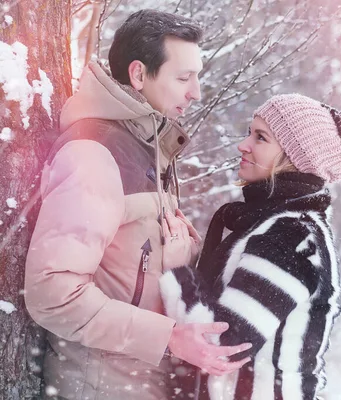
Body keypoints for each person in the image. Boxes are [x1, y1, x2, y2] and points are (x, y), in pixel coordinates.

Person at [24, 9, 250, 400]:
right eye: (183, 77)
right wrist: (169, 337)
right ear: (139, 75)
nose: (195, 92)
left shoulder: (149, 150)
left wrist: (183, 262)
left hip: (141, 385)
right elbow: (52, 293)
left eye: (196, 76)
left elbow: (131, 270)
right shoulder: (94, 153)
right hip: (100, 387)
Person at [159, 93, 341, 399]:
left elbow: (221, 347)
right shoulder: (275, 225)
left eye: (261, 137)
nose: (243, 145)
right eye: (249, 133)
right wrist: (192, 260)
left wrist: (178, 272)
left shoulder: (291, 236)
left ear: (294, 159)